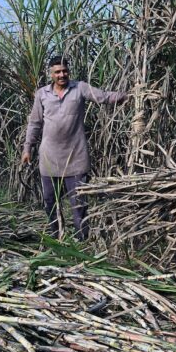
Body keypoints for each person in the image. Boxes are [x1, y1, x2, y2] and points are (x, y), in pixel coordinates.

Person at [22, 56, 129, 240]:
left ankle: (82, 239)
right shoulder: (42, 94)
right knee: (50, 201)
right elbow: (34, 123)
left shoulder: (80, 88)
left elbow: (104, 96)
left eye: (64, 71)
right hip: (49, 158)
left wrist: (128, 95)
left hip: (76, 157)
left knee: (79, 203)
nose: (61, 75)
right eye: (57, 72)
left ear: (68, 71)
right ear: (51, 74)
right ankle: (56, 236)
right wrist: (27, 148)